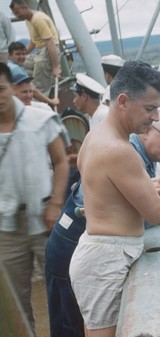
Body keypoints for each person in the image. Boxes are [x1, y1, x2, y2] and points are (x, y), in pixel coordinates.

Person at [69, 60, 160, 337]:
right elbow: (155, 213)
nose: (155, 117)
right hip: (105, 262)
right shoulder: (120, 150)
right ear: (122, 101)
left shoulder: (95, 137)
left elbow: (114, 194)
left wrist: (157, 183)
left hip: (97, 255)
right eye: (149, 108)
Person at [46, 109, 160, 337]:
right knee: (68, 325)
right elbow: (145, 214)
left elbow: (121, 198)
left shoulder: (119, 148)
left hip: (80, 244)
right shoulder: (125, 154)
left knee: (83, 324)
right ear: (147, 130)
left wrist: (155, 185)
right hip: (70, 245)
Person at [0, 62, 69, 335]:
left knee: (61, 287)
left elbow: (61, 162)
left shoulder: (40, 119)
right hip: (6, 226)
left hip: (44, 217)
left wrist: (55, 203)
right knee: (14, 300)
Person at [10, 0, 61, 96]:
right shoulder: (28, 20)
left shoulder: (38, 19)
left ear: (25, 7)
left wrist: (55, 67)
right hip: (39, 51)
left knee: (39, 87)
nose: (17, 16)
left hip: (48, 51)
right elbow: (33, 41)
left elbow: (50, 43)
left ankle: (39, 98)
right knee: (19, 63)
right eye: (14, 13)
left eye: (17, 12)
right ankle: (33, 82)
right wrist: (22, 54)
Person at [8, 41, 60, 107]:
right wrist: (51, 101)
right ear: (10, 56)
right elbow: (33, 91)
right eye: (18, 54)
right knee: (45, 107)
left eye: (23, 54)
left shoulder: (9, 66)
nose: (21, 57)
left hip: (13, 103)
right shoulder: (15, 69)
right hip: (15, 105)